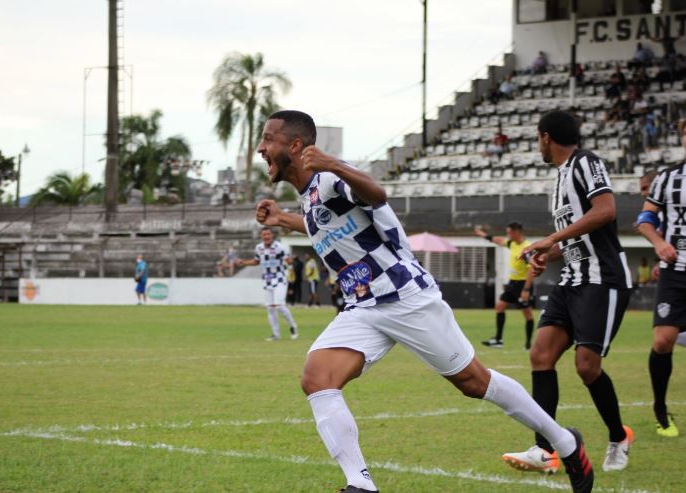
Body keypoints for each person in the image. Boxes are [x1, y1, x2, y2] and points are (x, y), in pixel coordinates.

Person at [254, 109, 594, 493]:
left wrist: (332, 162)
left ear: (295, 146)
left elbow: (376, 194)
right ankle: (360, 484)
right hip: (364, 307)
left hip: (405, 297)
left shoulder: (330, 177)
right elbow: (330, 225)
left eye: (268, 139)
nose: (261, 149)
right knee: (317, 378)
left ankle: (566, 443)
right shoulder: (312, 194)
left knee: (474, 382)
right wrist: (284, 219)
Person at [502, 110, 634, 475]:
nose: (537, 144)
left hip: (602, 278)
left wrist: (551, 238)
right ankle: (545, 450)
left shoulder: (586, 162)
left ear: (546, 137)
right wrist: (549, 252)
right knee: (541, 355)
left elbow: (605, 211)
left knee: (587, 367)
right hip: (572, 278)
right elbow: (577, 235)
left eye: (537, 138)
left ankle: (618, 436)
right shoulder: (558, 178)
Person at [636, 117, 686, 437]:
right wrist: (659, 243)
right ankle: (660, 408)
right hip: (675, 271)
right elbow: (644, 219)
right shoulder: (668, 177)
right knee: (662, 340)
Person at [474, 222, 535, 350]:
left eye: (509, 232)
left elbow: (531, 270)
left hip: (523, 284)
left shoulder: (527, 247)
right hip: (512, 283)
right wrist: (483, 235)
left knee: (527, 314)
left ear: (517, 232)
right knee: (500, 306)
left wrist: (526, 290)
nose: (507, 235)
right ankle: (498, 339)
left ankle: (529, 344)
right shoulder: (511, 243)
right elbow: (498, 240)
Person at [236, 227, 299, 341]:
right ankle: (276, 334)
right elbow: (257, 261)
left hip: (280, 279)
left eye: (268, 234)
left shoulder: (279, 247)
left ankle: (293, 325)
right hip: (267, 280)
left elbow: (288, 259)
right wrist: (244, 262)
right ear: (261, 236)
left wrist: (290, 261)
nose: (266, 236)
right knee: (270, 308)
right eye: (264, 234)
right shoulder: (259, 248)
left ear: (272, 236)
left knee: (279, 305)